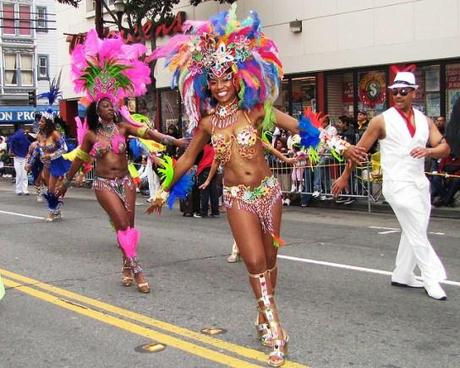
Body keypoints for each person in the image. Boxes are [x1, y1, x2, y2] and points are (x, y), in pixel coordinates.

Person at [148, 5, 299, 366]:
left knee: (272, 259)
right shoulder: (207, 123)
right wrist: (165, 190)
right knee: (254, 259)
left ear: (238, 78)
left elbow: (296, 127)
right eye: (212, 81)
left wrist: (337, 144)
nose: (219, 86)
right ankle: (276, 328)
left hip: (269, 194)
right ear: (206, 85)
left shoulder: (257, 110)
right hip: (236, 198)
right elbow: (185, 160)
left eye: (225, 78)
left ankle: (262, 313)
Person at [55, 29, 188, 293]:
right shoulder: (91, 135)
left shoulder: (124, 127)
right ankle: (137, 270)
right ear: (97, 109)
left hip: (126, 181)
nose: (111, 108)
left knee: (129, 226)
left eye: (113, 104)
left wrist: (174, 142)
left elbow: (148, 133)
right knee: (123, 224)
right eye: (105, 105)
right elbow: (79, 160)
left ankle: (126, 265)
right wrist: (65, 184)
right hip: (104, 184)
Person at [333, 71, 451, 300]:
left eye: (403, 91)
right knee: (416, 230)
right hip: (396, 185)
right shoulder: (381, 120)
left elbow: (444, 147)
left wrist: (429, 151)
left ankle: (403, 274)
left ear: (414, 93)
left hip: (419, 184)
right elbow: (358, 151)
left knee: (414, 228)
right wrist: (345, 176)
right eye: (394, 91)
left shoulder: (425, 121)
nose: (398, 95)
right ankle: (431, 276)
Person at [28, 114, 71, 221]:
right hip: (46, 165)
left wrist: (51, 156)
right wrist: (30, 163)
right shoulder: (40, 135)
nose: (40, 123)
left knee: (51, 189)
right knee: (51, 189)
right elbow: (38, 149)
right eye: (40, 121)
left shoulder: (55, 134)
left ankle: (52, 212)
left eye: (42, 121)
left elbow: (64, 148)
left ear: (47, 123)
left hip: (57, 163)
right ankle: (56, 210)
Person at [7, 124, 31, 195]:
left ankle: (21, 190)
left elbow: (10, 143)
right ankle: (23, 190)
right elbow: (29, 145)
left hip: (19, 157)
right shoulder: (24, 136)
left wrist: (11, 151)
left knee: (20, 174)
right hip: (21, 157)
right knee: (23, 174)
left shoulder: (15, 136)